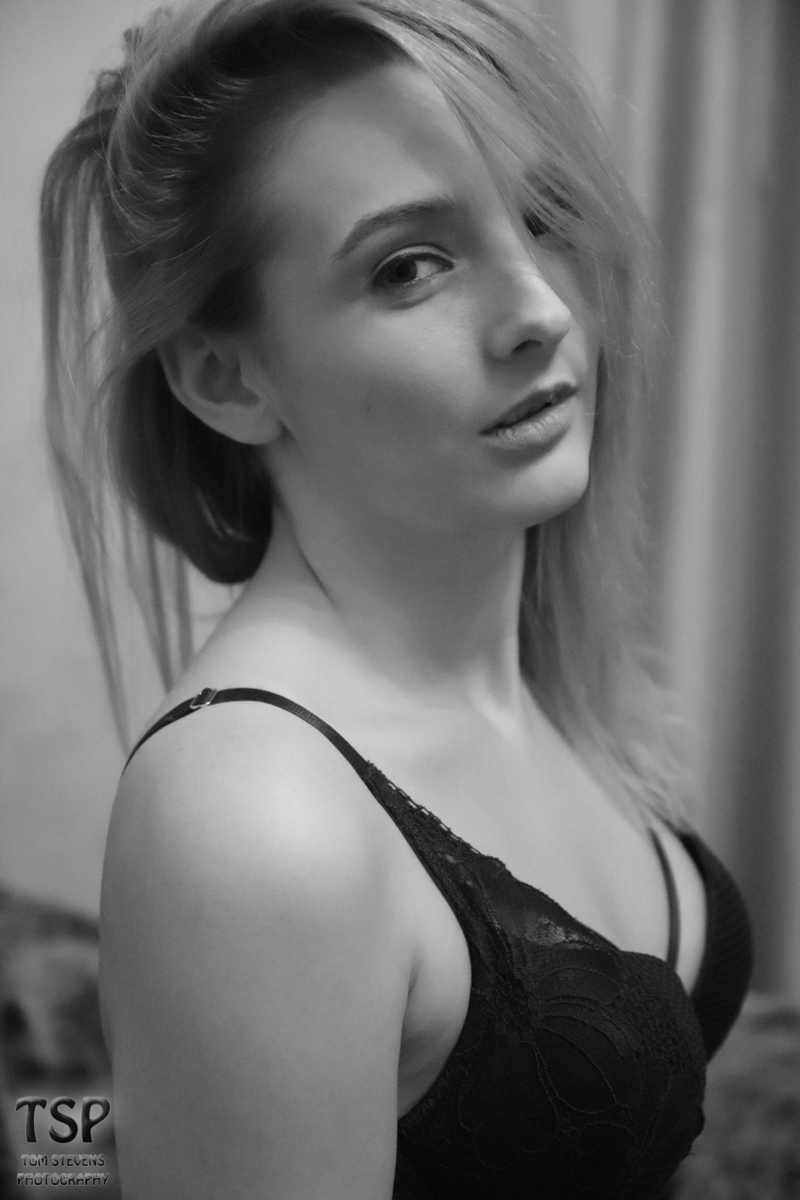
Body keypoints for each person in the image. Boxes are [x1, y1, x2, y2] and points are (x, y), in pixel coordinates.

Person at [40, 0, 754, 1196]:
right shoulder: (254, 822)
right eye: (408, 267)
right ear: (225, 377)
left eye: (543, 218)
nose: (542, 312)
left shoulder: (538, 667)